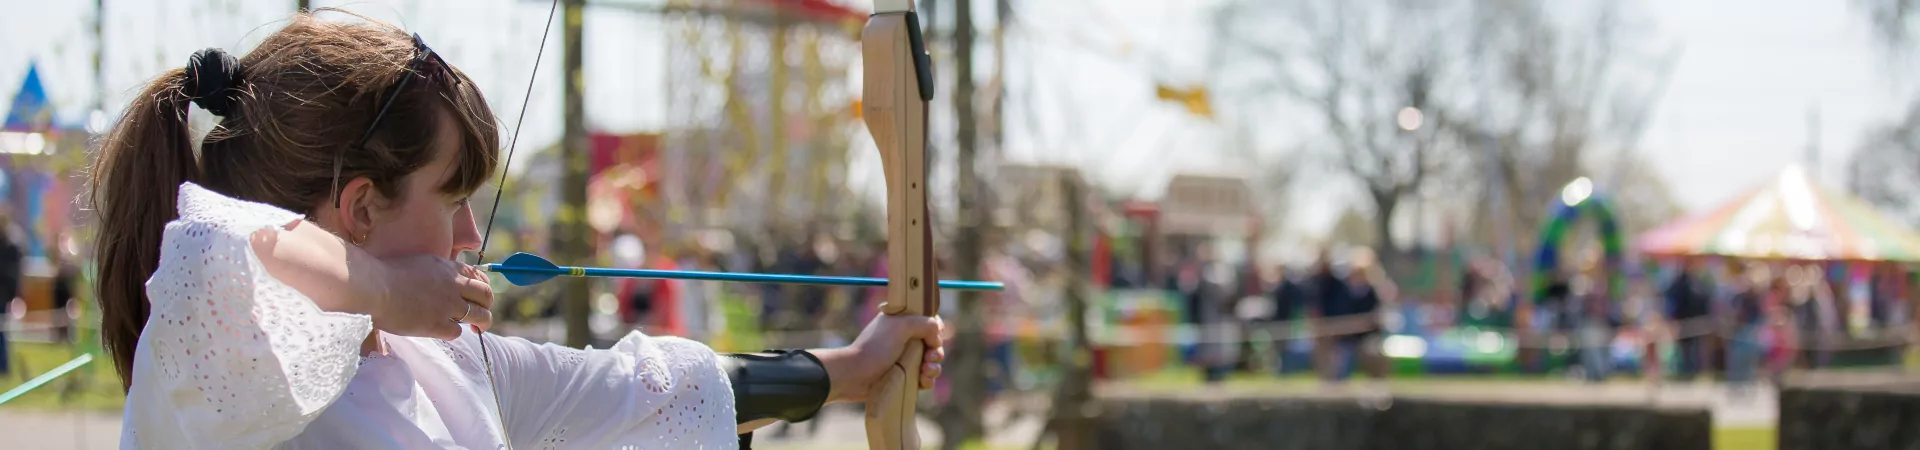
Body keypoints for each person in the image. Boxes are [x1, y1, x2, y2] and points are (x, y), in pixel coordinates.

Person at [91, 11, 943, 449]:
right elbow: (223, 246)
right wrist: (385, 289)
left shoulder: (438, 362)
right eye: (450, 196)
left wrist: (856, 368)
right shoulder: (226, 362)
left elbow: (647, 389)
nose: (470, 232)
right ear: (360, 207)